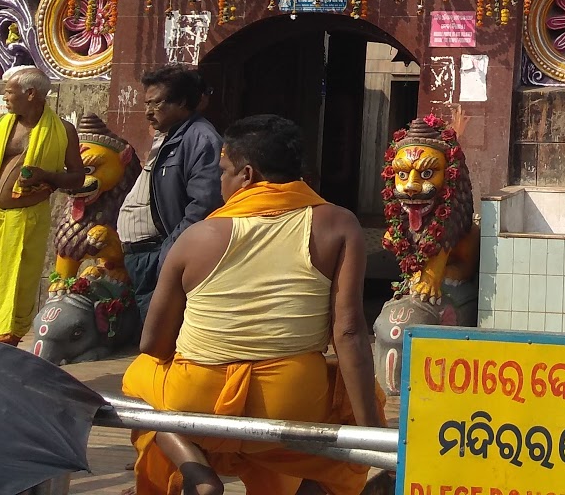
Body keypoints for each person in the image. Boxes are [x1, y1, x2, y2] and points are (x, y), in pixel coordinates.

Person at [122, 114, 384, 495]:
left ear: (247, 175)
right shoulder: (338, 224)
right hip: (291, 396)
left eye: (224, 171)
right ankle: (318, 486)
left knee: (139, 379)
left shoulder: (196, 236)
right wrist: (371, 438)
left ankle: (195, 470)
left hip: (197, 394)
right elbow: (348, 333)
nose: (220, 181)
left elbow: (154, 345)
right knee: (353, 391)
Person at [0, 66, 85, 344]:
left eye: (9, 91)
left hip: (25, 221)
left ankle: (2, 349)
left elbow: (78, 178)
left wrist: (46, 175)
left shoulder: (63, 131)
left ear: (30, 94)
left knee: (15, 287)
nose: (4, 97)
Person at [118, 65, 223, 320]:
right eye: (145, 104)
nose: (147, 112)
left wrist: (170, 251)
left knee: (160, 339)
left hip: (160, 256)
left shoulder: (200, 138)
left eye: (156, 104)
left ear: (183, 102)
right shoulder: (167, 135)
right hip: (143, 258)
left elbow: (204, 203)